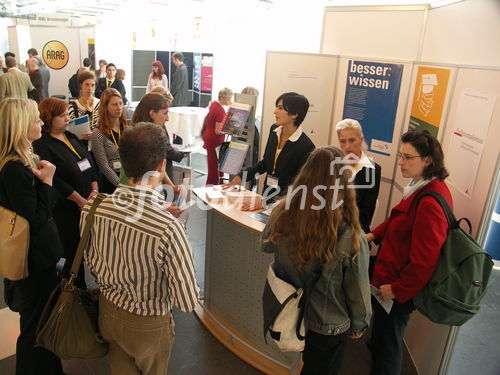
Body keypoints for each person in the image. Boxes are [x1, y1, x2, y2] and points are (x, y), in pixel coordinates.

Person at [82, 123, 199, 375]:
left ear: (123, 161)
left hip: (107, 311)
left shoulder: (92, 209)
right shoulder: (168, 228)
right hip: (149, 324)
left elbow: (91, 260)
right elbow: (187, 301)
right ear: (161, 166)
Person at [261, 146, 371, 375]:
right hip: (328, 323)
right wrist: (360, 323)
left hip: (290, 309)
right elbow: (358, 288)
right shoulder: (349, 234)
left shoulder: (282, 213)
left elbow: (266, 246)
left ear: (306, 173)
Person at [366, 129, 452, 375]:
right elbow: (400, 220)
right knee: (381, 339)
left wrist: (396, 290)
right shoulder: (420, 186)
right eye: (400, 156)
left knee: (389, 348)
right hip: (389, 279)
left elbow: (425, 261)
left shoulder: (430, 201)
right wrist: (374, 234)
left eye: (408, 157)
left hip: (397, 289)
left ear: (428, 160)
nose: (401, 163)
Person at [0, 98, 64, 375]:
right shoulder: (14, 169)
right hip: (34, 261)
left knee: (42, 325)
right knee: (35, 328)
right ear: (20, 124)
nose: (41, 122)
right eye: (36, 118)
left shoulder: (19, 163)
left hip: (36, 258)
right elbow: (36, 219)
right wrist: (47, 181)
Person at [33, 97, 98, 289]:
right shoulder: (43, 145)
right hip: (67, 211)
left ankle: (82, 295)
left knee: (87, 253)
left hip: (87, 204)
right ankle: (72, 300)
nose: (67, 119)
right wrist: (79, 200)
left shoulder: (71, 137)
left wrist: (95, 190)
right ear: (48, 118)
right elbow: (57, 182)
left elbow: (90, 164)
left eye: (67, 115)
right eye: (62, 116)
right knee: (70, 257)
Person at [225, 92, 315, 210]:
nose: (275, 111)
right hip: (266, 193)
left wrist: (268, 202)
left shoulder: (306, 146)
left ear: (294, 114)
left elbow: (297, 185)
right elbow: (266, 163)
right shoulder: (274, 130)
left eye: (280, 108)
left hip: (285, 204)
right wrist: (242, 176)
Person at [336, 119, 381, 234]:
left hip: (352, 229)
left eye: (352, 140)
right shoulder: (334, 164)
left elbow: (366, 213)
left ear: (361, 140)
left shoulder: (372, 170)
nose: (347, 146)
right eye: (342, 141)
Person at [131, 92, 186, 184]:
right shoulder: (142, 139)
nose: (167, 118)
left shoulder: (153, 132)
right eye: (165, 113)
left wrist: (172, 187)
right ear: (152, 113)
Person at [91, 88, 127, 193]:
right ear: (105, 107)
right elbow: (104, 167)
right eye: (114, 104)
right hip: (111, 184)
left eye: (120, 103)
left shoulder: (126, 127)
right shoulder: (98, 133)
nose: (119, 108)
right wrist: (121, 186)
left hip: (129, 178)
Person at [201, 87, 232, 185]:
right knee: (214, 167)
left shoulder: (214, 104)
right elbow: (218, 131)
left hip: (209, 137)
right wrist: (229, 130)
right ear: (223, 98)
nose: (230, 101)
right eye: (229, 99)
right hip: (215, 141)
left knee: (212, 165)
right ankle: (213, 185)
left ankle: (215, 184)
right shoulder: (221, 111)